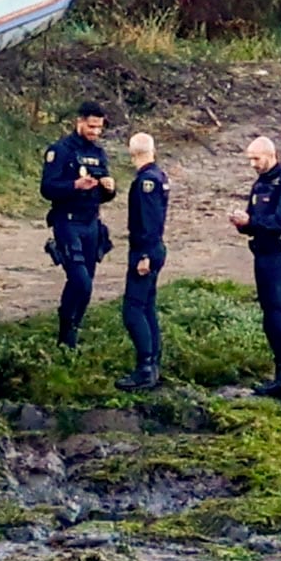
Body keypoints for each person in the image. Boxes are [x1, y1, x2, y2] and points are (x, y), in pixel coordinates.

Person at [229, 137, 281, 407]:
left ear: (270, 154)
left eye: (256, 159)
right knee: (269, 318)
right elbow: (256, 221)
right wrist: (244, 224)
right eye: (250, 159)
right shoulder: (259, 184)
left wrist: (253, 221)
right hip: (262, 255)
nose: (253, 164)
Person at [39, 100, 117, 348]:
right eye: (91, 126)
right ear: (80, 122)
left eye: (99, 128)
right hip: (68, 222)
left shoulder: (98, 153)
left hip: (92, 224)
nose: (95, 132)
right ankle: (66, 332)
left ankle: (71, 332)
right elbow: (47, 188)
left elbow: (104, 193)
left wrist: (109, 189)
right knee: (80, 280)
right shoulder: (60, 150)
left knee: (87, 285)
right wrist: (74, 185)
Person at [116, 132, 169, 392]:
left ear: (132, 153)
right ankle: (152, 363)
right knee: (147, 307)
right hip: (154, 247)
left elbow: (149, 221)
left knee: (133, 309)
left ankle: (145, 367)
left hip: (145, 249)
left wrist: (144, 255)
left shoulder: (146, 182)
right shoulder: (158, 177)